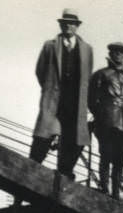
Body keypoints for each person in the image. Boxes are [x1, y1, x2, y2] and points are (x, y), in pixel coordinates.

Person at [29, 8, 93, 178]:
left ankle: (64, 178)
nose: (67, 26)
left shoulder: (87, 49)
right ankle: (29, 173)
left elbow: (87, 76)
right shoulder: (49, 46)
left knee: (73, 143)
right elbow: (40, 71)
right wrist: (50, 89)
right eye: (64, 23)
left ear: (77, 26)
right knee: (42, 140)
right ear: (60, 25)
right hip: (54, 103)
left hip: (74, 106)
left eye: (71, 24)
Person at [89, 41, 123, 198]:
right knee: (106, 155)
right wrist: (101, 116)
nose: (118, 55)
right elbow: (91, 100)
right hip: (108, 121)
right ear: (110, 54)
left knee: (120, 159)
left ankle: (116, 193)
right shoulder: (101, 74)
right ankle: (104, 189)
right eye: (115, 52)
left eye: (121, 53)